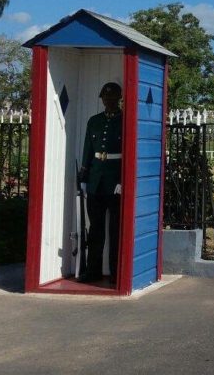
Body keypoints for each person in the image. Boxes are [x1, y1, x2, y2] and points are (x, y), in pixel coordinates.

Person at [78, 82, 123, 284]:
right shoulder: (94, 121)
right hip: (96, 180)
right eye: (106, 99)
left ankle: (116, 272)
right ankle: (93, 271)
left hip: (114, 181)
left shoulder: (125, 121)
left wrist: (122, 180)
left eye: (112, 99)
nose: (109, 102)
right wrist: (85, 177)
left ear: (118, 99)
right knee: (95, 229)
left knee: (116, 230)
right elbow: (88, 149)